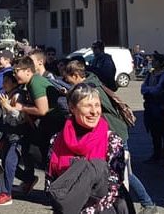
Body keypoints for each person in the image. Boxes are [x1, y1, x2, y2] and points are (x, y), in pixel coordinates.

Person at [64, 59, 159, 214]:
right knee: (121, 174)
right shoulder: (91, 83)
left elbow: (107, 110)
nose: (66, 80)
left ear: (75, 75)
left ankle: (147, 203)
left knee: (124, 174)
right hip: (110, 131)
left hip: (114, 131)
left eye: (67, 77)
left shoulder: (92, 89)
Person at [45, 83, 127, 213]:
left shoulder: (112, 140)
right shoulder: (57, 139)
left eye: (97, 105)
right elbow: (51, 182)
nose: (94, 112)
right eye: (87, 106)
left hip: (100, 209)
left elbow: (114, 185)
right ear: (72, 108)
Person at [0, 71, 38, 206]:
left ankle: (6, 194)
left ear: (14, 83)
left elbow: (19, 117)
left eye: (6, 81)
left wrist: (7, 106)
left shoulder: (19, 96)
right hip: (7, 133)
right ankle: (28, 179)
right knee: (5, 162)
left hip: (18, 135)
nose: (3, 84)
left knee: (9, 162)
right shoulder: (5, 95)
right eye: (3, 81)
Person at [13, 56, 66, 162]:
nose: (14, 75)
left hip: (53, 126)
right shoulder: (31, 83)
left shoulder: (35, 82)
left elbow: (42, 110)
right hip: (48, 126)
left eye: (16, 71)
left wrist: (22, 107)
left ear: (28, 71)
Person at [141, 53, 164, 163]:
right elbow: (143, 88)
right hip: (150, 107)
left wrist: (149, 90)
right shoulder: (150, 74)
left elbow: (158, 89)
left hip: (160, 108)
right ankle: (156, 154)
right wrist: (150, 90)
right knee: (154, 132)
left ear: (161, 63)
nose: (152, 62)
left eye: (155, 60)